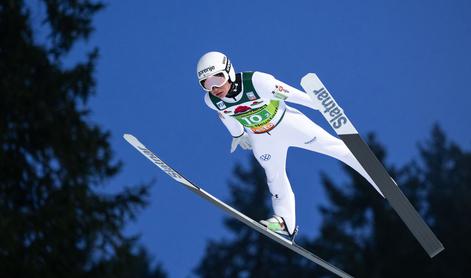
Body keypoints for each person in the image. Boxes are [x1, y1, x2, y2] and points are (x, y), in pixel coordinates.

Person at [197, 51, 383, 239]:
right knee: (274, 177)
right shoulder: (212, 101)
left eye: (216, 80)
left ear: (228, 72)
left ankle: (377, 177)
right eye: (206, 83)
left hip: (288, 125)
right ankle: (285, 222)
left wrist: (321, 105)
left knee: (335, 148)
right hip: (262, 138)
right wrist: (237, 135)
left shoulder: (258, 82)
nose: (213, 88)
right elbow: (227, 115)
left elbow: (290, 94)